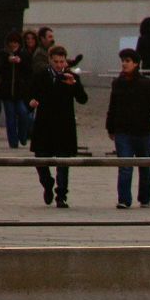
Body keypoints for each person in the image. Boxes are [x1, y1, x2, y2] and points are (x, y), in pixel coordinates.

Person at [106, 47, 150, 209]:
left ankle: (144, 197)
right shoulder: (118, 83)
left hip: (143, 132)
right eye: (123, 61)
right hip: (123, 132)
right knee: (125, 167)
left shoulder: (146, 84)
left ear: (136, 64)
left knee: (145, 168)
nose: (124, 64)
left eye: (128, 61)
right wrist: (110, 128)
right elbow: (113, 107)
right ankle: (124, 199)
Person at [29, 45, 87, 208]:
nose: (59, 65)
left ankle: (61, 195)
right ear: (50, 60)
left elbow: (83, 99)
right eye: (56, 62)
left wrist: (74, 84)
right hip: (44, 124)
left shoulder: (71, 76)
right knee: (40, 160)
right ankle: (47, 183)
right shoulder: (41, 75)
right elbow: (30, 93)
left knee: (63, 162)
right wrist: (31, 102)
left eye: (62, 61)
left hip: (63, 125)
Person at [0, 32, 31, 148]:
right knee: (10, 117)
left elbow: (28, 70)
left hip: (19, 92)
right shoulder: (3, 54)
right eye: (11, 42)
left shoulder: (24, 54)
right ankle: (13, 142)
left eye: (15, 42)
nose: (13, 45)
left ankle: (23, 136)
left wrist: (20, 62)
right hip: (7, 92)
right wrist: (8, 61)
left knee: (23, 114)